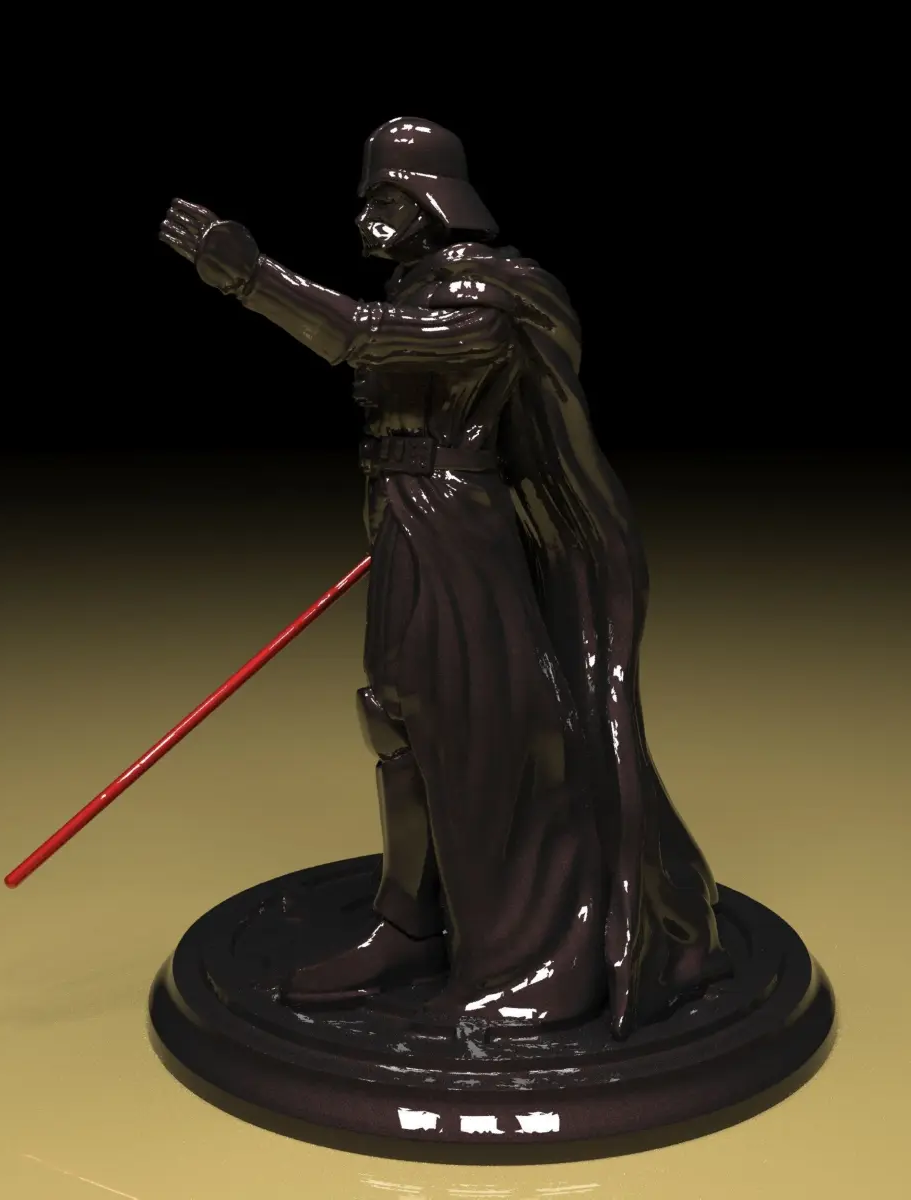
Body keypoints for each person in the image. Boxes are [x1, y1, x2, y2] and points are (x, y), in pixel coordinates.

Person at [159, 117, 726, 1039]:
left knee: (477, 735)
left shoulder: (492, 296)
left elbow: (374, 339)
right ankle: (410, 925)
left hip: (460, 529)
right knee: (398, 718)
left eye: (385, 199)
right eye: (367, 200)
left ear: (433, 200)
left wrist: (252, 277)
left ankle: (525, 964)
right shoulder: (424, 283)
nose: (367, 219)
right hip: (405, 516)